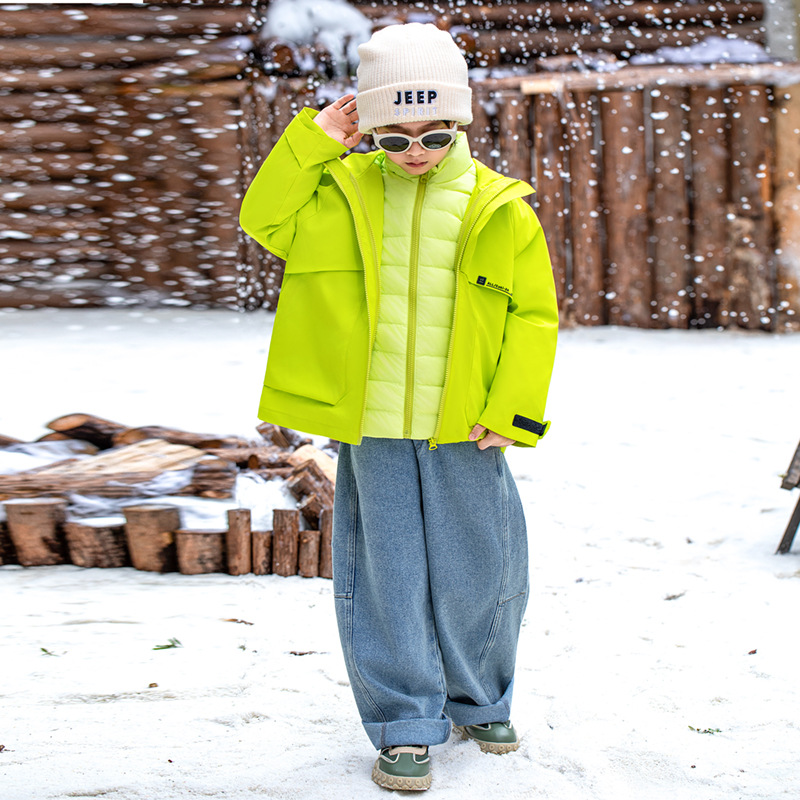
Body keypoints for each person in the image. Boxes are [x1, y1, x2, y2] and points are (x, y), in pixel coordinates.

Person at [240, 22, 558, 792]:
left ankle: (481, 698)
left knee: (480, 570)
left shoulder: (500, 208)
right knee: (384, 577)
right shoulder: (339, 194)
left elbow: (533, 316)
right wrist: (316, 139)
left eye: (436, 134)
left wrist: (509, 409)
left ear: (462, 124)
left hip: (467, 431)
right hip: (374, 429)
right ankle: (403, 719)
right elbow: (263, 217)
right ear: (370, 131)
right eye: (394, 137)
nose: (416, 152)